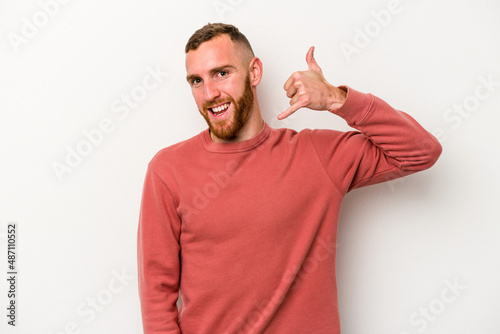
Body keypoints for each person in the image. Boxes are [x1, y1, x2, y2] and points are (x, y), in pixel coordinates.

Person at [137, 23, 442, 334]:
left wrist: (338, 99)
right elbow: (156, 295)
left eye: (222, 73)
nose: (209, 93)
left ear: (254, 73)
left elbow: (420, 151)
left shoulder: (316, 156)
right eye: (196, 81)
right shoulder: (168, 170)